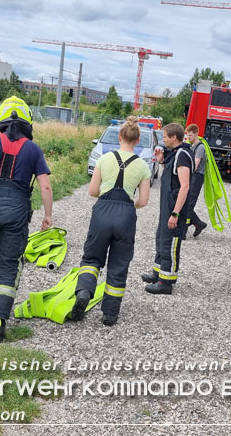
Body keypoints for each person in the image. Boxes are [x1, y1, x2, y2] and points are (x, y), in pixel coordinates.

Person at [0, 96, 53, 342]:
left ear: (1, 120)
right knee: (9, 265)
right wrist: (47, 215)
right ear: (27, 121)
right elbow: (45, 186)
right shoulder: (33, 149)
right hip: (16, 213)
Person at [71, 116, 151, 326]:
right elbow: (143, 201)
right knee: (118, 265)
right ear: (137, 139)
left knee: (91, 259)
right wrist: (126, 207)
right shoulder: (143, 165)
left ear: (120, 136)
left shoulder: (104, 159)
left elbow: (92, 191)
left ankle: (84, 293)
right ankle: (109, 314)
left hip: (102, 212)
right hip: (126, 215)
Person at [141, 123, 193, 295]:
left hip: (174, 208)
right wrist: (162, 161)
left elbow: (184, 186)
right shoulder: (175, 154)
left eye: (164, 137)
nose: (163, 140)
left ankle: (166, 282)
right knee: (161, 237)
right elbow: (173, 178)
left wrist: (175, 213)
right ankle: (158, 272)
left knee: (170, 242)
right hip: (167, 205)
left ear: (174, 137)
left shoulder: (183, 155)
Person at [184, 124, 208, 237]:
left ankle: (184, 229)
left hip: (196, 177)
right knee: (186, 202)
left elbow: (195, 165)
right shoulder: (192, 146)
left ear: (196, 134)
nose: (188, 137)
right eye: (187, 135)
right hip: (191, 176)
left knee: (189, 203)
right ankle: (198, 223)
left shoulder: (200, 148)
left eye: (190, 135)